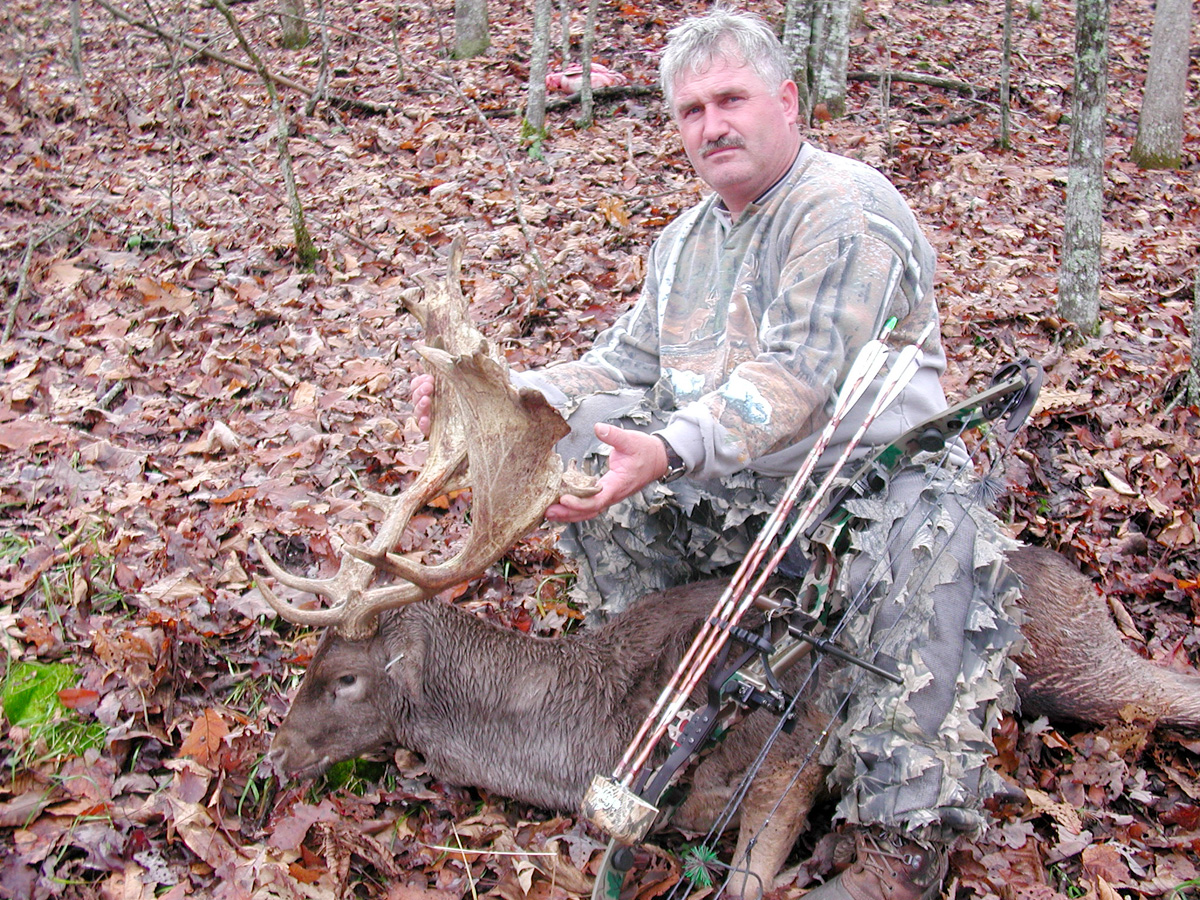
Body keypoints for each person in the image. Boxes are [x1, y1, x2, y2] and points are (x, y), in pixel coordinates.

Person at [413, 9, 1024, 900]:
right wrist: (498, 398)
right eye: (691, 110)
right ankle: (645, 707)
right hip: (736, 494)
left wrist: (664, 446)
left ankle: (904, 836)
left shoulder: (845, 210)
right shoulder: (686, 241)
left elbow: (797, 378)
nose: (712, 126)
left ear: (787, 102)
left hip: (857, 497)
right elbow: (620, 365)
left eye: (731, 99)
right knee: (579, 450)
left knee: (934, 531)